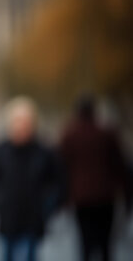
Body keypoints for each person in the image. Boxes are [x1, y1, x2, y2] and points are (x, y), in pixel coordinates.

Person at [0, 96, 63, 261]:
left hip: (32, 220)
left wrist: (48, 206)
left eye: (25, 121)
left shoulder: (43, 151)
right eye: (17, 121)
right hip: (8, 218)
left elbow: (57, 181)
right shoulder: (0, 151)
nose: (21, 126)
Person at [59, 96, 129, 261]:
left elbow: (62, 167)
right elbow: (119, 165)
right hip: (105, 196)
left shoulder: (70, 135)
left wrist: (64, 196)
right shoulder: (107, 133)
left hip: (81, 197)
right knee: (105, 242)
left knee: (85, 241)